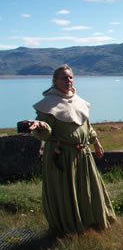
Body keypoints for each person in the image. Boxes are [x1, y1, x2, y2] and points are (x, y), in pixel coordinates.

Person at [29, 64, 116, 236]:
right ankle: (69, 227)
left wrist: (96, 142)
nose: (68, 80)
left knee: (88, 188)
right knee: (66, 191)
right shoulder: (49, 104)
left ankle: (92, 222)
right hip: (61, 156)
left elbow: (87, 127)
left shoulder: (78, 101)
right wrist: (39, 125)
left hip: (82, 155)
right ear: (55, 81)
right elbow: (45, 132)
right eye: (64, 78)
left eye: (70, 77)